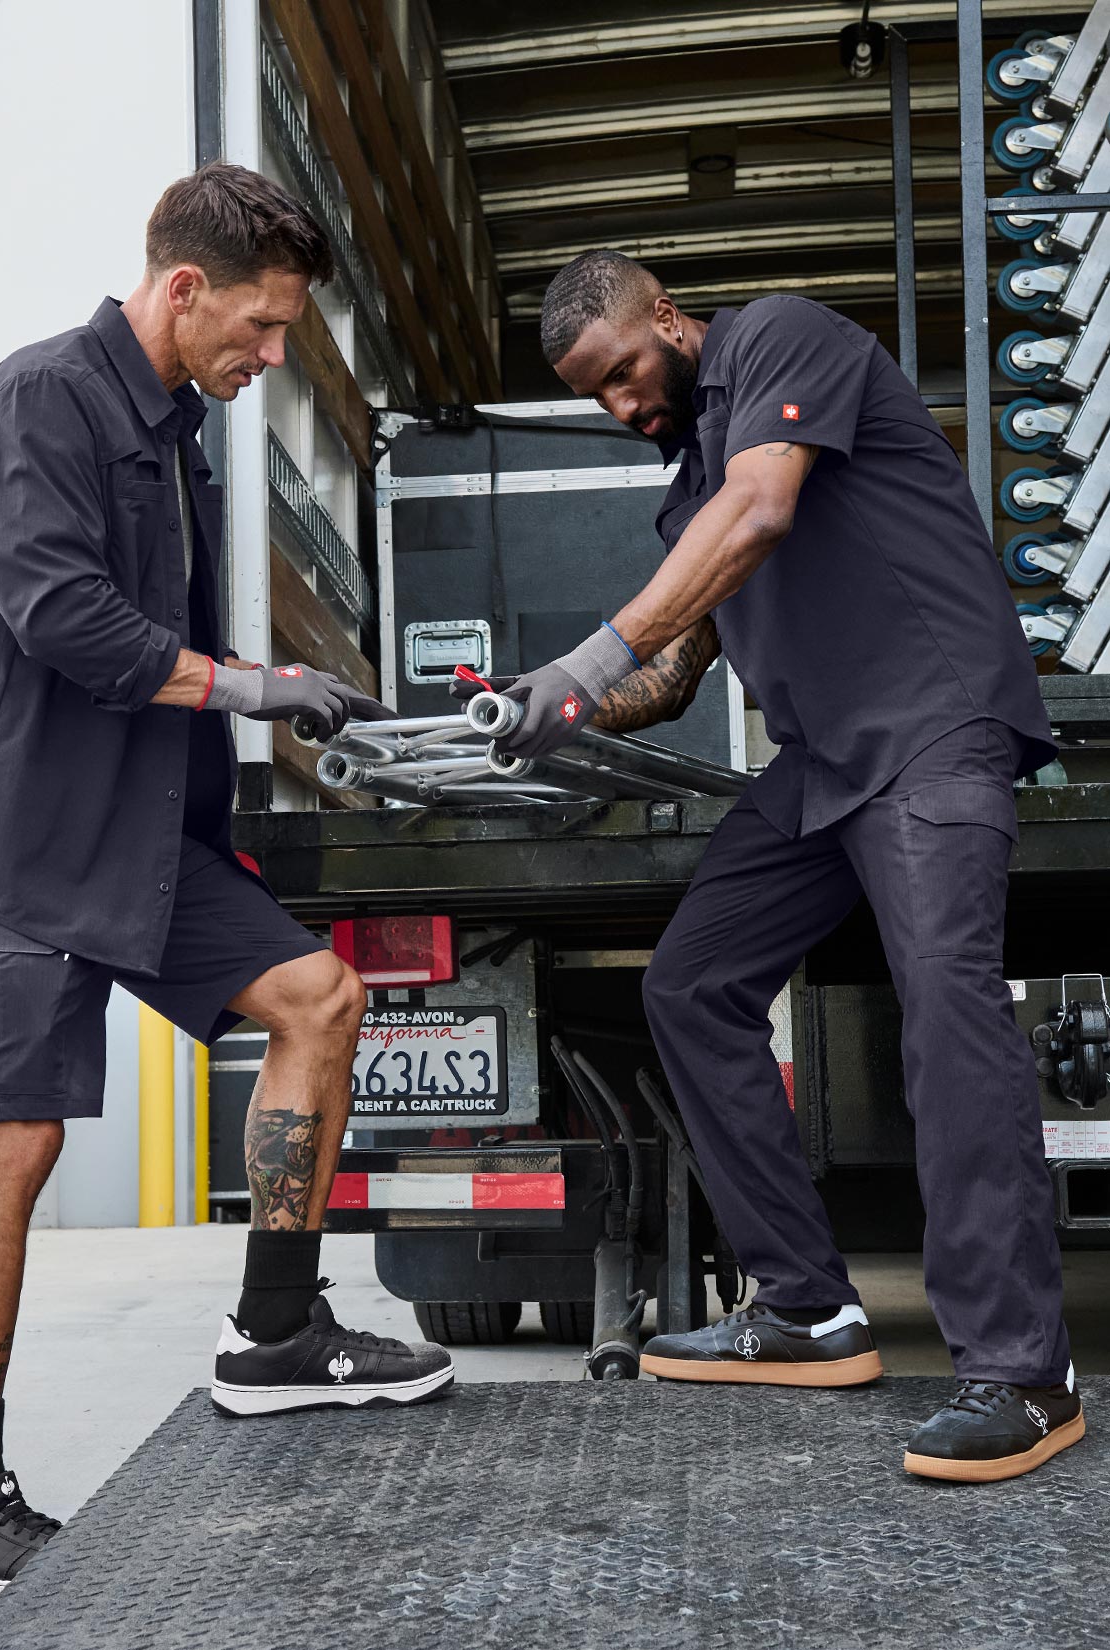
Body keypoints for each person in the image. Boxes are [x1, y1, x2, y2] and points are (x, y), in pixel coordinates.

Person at [0, 163, 453, 1602]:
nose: (267, 358)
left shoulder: (176, 428)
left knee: (320, 998)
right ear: (182, 287)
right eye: (256, 328)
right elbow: (65, 616)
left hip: (138, 830)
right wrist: (262, 686)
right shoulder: (42, 399)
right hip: (15, 835)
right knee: (10, 1143)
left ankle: (273, 1329)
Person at [482, 248, 1082, 1484]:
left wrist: (584, 664)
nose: (621, 405)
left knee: (946, 1006)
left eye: (623, 373)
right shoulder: (691, 475)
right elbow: (673, 669)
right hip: (821, 766)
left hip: (931, 727)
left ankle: (1025, 1370)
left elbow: (762, 510)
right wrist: (544, 712)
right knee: (689, 986)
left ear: (666, 317)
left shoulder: (781, 340)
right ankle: (807, 1306)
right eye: (594, 395)